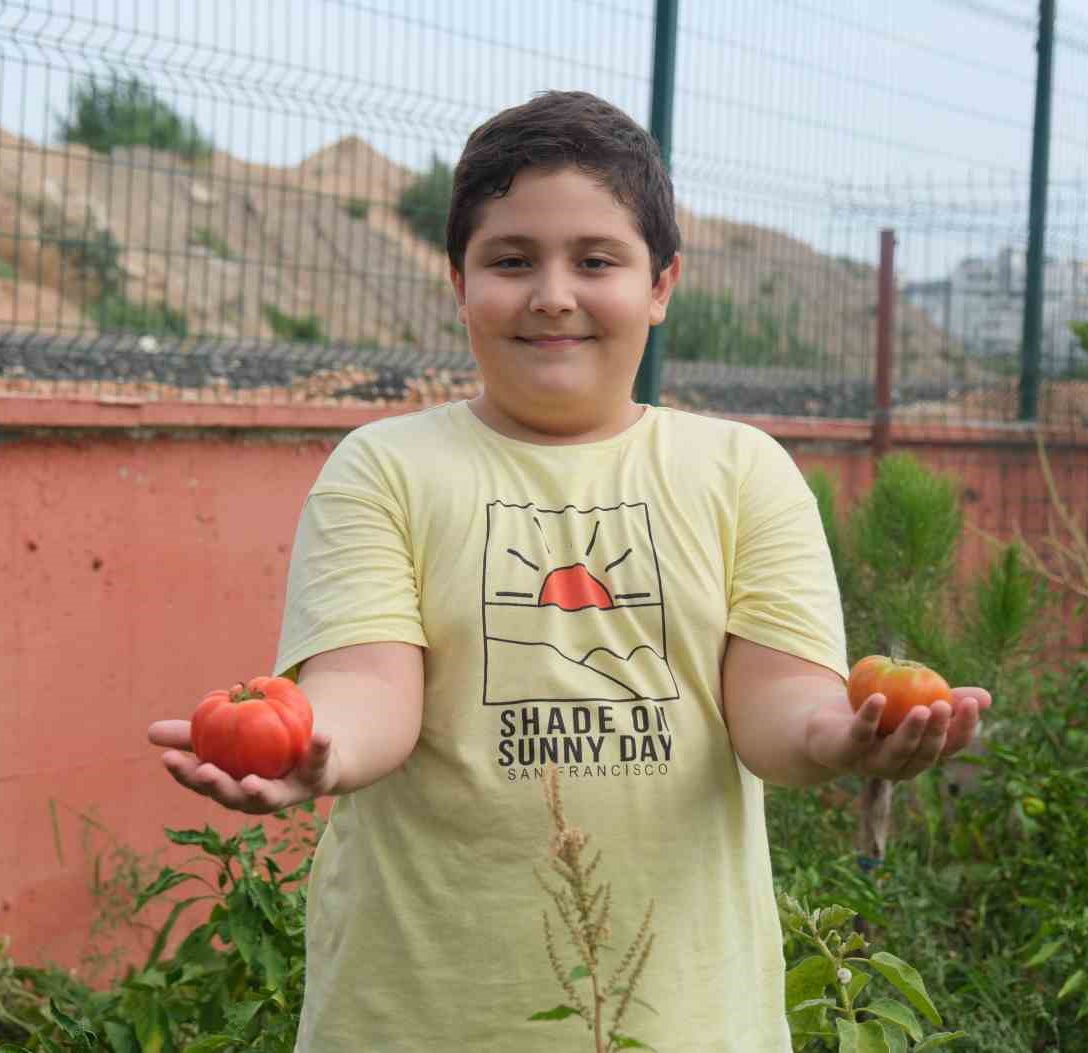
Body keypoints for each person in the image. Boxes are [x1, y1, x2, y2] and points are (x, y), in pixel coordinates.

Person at [147, 90, 990, 1052]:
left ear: (662, 283)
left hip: (688, 1022)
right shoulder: (385, 468)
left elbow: (778, 709)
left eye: (597, 260)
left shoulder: (741, 471)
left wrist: (848, 735)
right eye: (511, 260)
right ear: (459, 284)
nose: (553, 293)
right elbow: (367, 687)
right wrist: (312, 745)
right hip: (417, 1018)